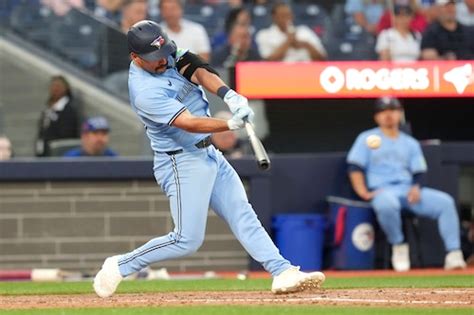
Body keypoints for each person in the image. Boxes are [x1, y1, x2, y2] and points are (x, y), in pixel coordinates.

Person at [93, 20, 325, 298]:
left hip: (208, 153)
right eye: (154, 58)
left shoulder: (166, 53)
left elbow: (199, 71)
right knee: (186, 240)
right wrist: (229, 125)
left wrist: (230, 96)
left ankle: (282, 271)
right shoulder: (145, 92)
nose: (162, 60)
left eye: (163, 52)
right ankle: (120, 264)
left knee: (242, 213)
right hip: (180, 161)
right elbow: (188, 122)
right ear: (135, 58)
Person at [346, 97, 467, 272]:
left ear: (400, 113)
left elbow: (419, 171)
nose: (388, 114)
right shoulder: (366, 138)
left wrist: (416, 187)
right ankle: (399, 246)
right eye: (383, 111)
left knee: (445, 202)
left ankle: (454, 253)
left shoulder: (409, 142)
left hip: (408, 191)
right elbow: (354, 167)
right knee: (387, 203)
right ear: (376, 117)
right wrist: (363, 192)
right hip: (383, 191)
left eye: (393, 110)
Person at [255, 2, 326, 62]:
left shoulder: (304, 31)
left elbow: (322, 58)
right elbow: (268, 61)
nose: (287, 19)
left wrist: (306, 44)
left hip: (306, 72)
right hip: (279, 74)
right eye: (282, 16)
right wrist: (288, 42)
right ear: (274, 17)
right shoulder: (264, 34)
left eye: (288, 15)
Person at [35, 75, 81, 157]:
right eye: (53, 86)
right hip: (44, 151)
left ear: (66, 88)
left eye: (58, 86)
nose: (55, 89)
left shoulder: (69, 109)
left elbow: (68, 134)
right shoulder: (48, 108)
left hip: (60, 153)